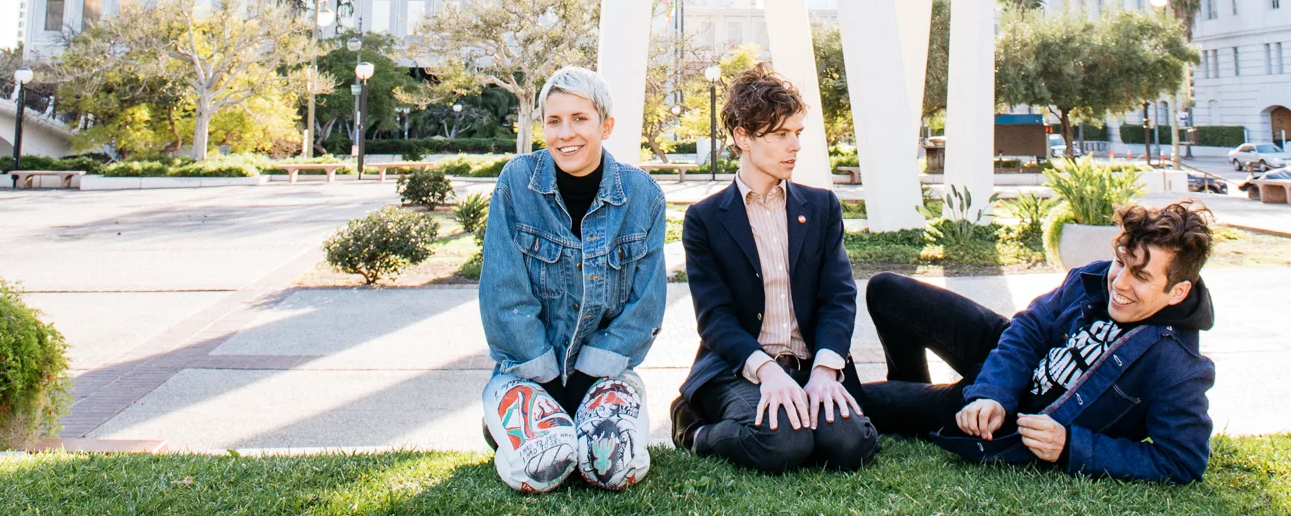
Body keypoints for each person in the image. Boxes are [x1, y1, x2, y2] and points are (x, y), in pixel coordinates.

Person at [860, 201, 1216, 484]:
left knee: (857, 401)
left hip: (1011, 418)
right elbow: (1029, 327)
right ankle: (912, 390)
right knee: (886, 289)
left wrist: (1069, 446)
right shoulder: (1093, 276)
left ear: (1177, 291)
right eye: (1121, 263)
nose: (1119, 283)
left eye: (1139, 276)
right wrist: (993, 393)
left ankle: (915, 408)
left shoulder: (1178, 365)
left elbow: (1182, 461)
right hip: (1004, 366)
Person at [670, 68, 878, 474]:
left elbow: (838, 297)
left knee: (848, 445)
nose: (795, 145)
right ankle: (694, 430)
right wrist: (766, 371)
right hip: (741, 369)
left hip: (811, 363)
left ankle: (813, 402)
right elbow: (714, 317)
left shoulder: (821, 208)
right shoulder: (705, 219)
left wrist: (824, 371)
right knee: (784, 442)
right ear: (743, 137)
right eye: (781, 134)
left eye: (797, 132)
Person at [478, 66, 668, 493]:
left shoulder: (644, 197)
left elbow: (644, 309)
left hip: (605, 376)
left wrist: (583, 383)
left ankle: (583, 420)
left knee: (611, 470)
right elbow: (503, 296)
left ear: (606, 125)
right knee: (546, 467)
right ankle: (524, 420)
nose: (567, 133)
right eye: (554, 120)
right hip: (527, 373)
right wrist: (548, 382)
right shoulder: (516, 184)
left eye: (580, 119)